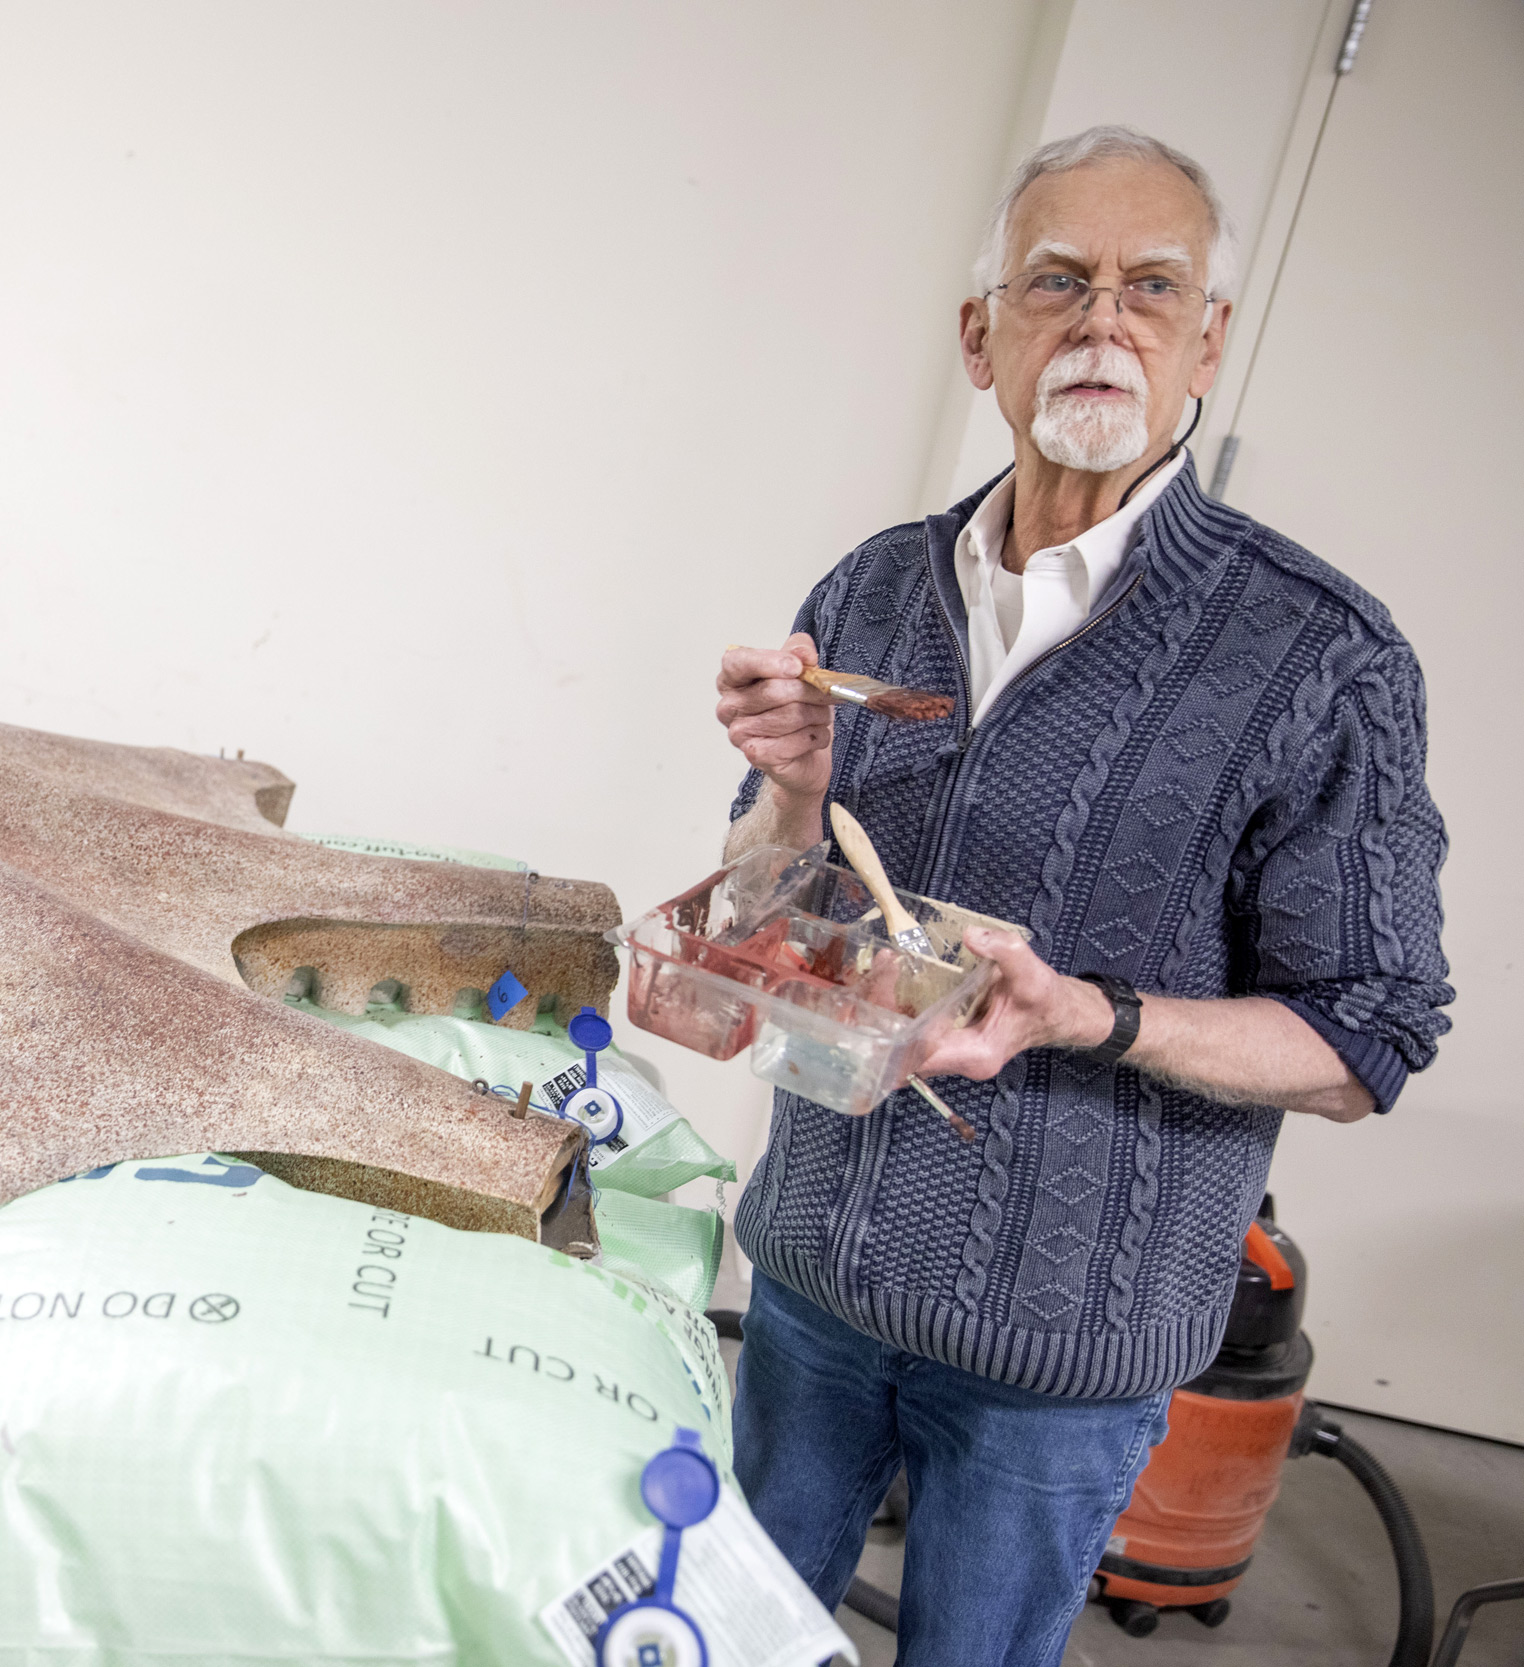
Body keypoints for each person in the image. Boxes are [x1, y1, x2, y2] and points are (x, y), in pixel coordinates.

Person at [710, 125, 1451, 1664]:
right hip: (813, 1279)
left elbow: (1367, 1038)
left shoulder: (1319, 654)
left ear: (1207, 344)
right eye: (1058, 283)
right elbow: (759, 914)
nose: (1104, 321)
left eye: (1151, 288)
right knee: (735, 1642)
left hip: (1066, 1347)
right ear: (983, 335)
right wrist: (789, 791)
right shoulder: (868, 589)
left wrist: (1089, 1016)